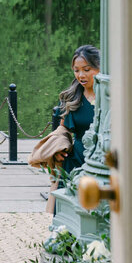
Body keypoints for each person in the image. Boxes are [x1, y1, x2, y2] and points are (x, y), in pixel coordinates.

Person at [58, 45, 101, 175]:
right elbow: (63, 130)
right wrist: (59, 148)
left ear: (100, 68)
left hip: (104, 163)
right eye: (76, 70)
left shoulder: (112, 97)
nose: (81, 75)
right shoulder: (71, 97)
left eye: (87, 70)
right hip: (74, 163)